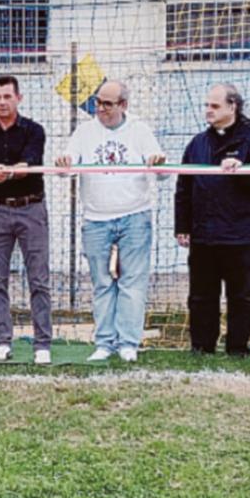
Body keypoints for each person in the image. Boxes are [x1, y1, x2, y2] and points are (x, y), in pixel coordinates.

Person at [53, 79, 165, 363]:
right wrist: (64, 164)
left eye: (107, 104)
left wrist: (158, 163)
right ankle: (104, 342)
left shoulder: (140, 130)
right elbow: (67, 168)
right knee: (102, 283)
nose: (100, 108)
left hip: (135, 216)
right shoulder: (85, 131)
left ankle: (128, 342)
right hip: (96, 219)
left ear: (123, 105)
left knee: (132, 282)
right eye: (97, 102)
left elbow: (162, 171)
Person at [174, 83, 250, 357]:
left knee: (240, 297)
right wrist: (182, 226)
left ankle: (237, 347)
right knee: (201, 296)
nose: (208, 110)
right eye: (207, 105)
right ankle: (201, 346)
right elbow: (184, 186)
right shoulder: (197, 144)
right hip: (203, 234)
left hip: (239, 234)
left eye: (215, 106)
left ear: (233, 107)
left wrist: (243, 171)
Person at [0, 75, 52, 364]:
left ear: (19, 98)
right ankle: (2, 341)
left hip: (31, 209)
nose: (2, 102)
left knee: (38, 279)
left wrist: (8, 171)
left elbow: (30, 164)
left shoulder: (34, 130)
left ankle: (42, 344)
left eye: (7, 96)